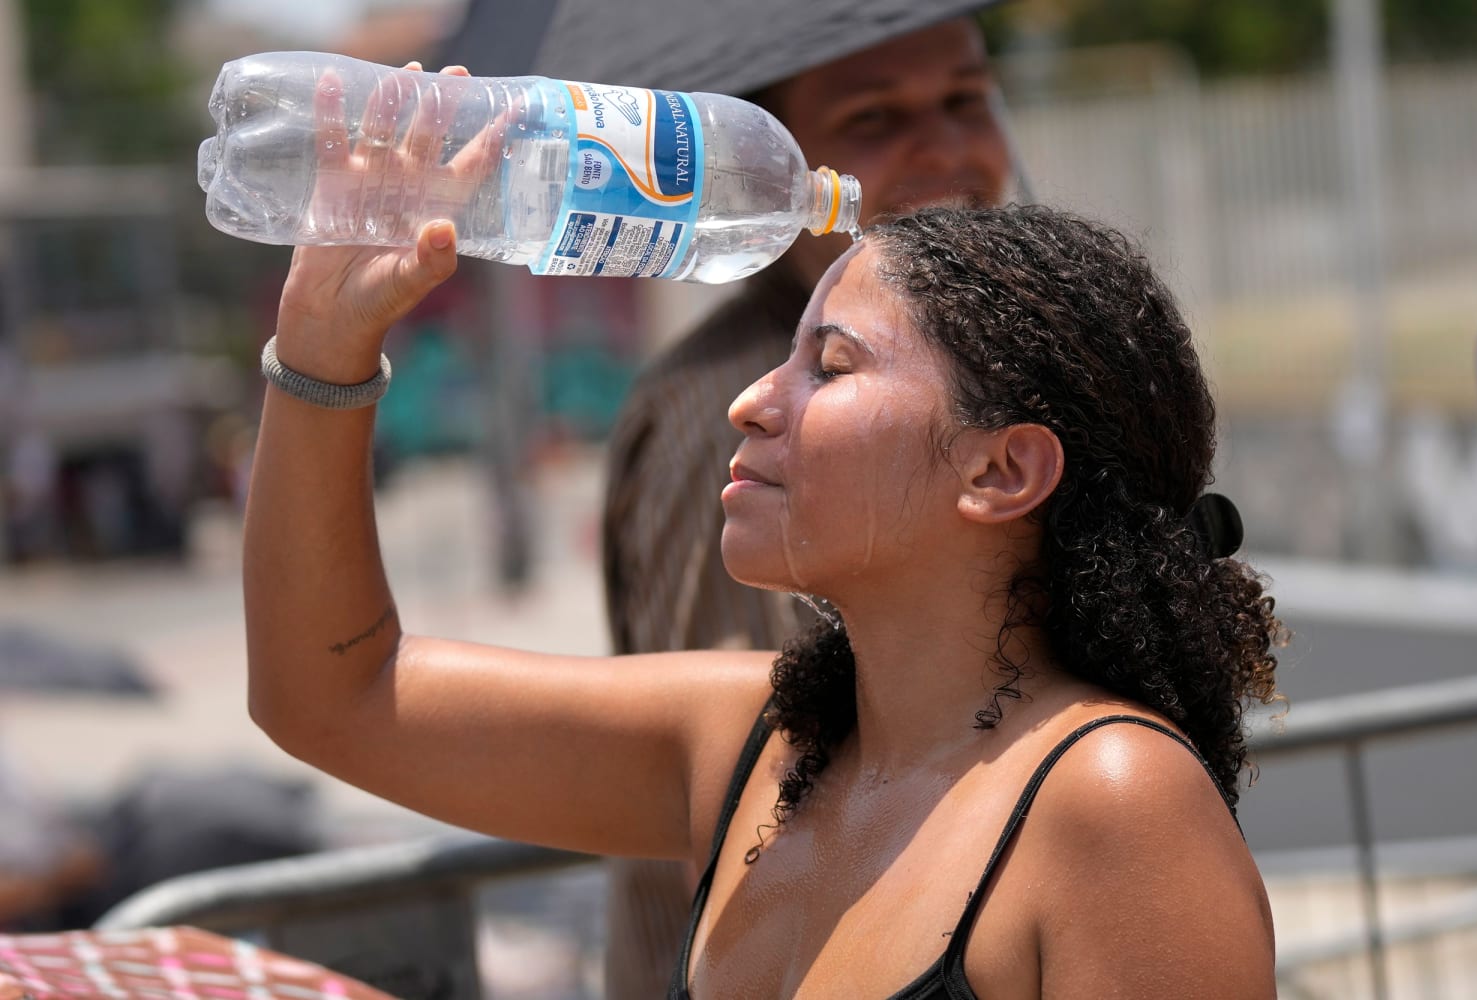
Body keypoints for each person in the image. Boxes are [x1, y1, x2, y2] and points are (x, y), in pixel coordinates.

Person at [243, 81, 1283, 991]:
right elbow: (332, 696)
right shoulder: (756, 742)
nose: (749, 401)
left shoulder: (1114, 807)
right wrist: (322, 350)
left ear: (1000, 469)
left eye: (828, 366)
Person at [599, 19, 1014, 991]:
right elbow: (757, 792)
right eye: (874, 117)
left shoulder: (985, 368)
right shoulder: (730, 417)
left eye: (965, 98)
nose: (946, 150)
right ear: (766, 161)